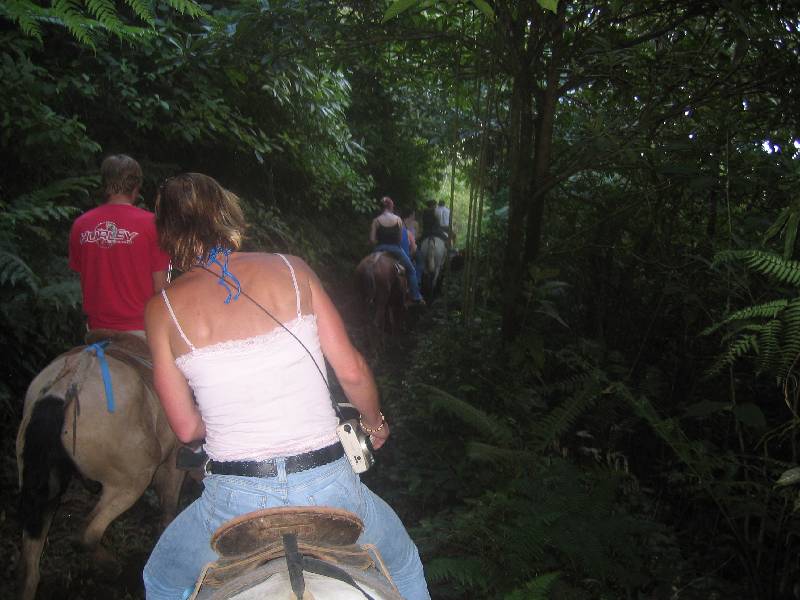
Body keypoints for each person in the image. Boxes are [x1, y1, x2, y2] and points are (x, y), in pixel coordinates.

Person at [143, 174, 430, 600]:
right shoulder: (292, 269)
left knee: (160, 579)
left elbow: (185, 430)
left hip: (233, 499)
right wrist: (376, 424)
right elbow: (351, 370)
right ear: (227, 215)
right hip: (329, 485)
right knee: (403, 562)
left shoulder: (161, 309)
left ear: (167, 233)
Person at [69, 154, 170, 336]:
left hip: (96, 330)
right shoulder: (153, 225)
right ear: (137, 186)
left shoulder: (81, 224)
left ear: (104, 184)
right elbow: (160, 288)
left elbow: (84, 277)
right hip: (141, 330)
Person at [369, 196, 424, 303]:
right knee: (411, 270)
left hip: (379, 248)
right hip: (395, 249)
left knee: (370, 268)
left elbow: (372, 240)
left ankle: (369, 295)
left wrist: (380, 243)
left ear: (381, 207)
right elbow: (399, 238)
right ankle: (416, 296)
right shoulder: (398, 219)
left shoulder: (376, 220)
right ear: (391, 207)